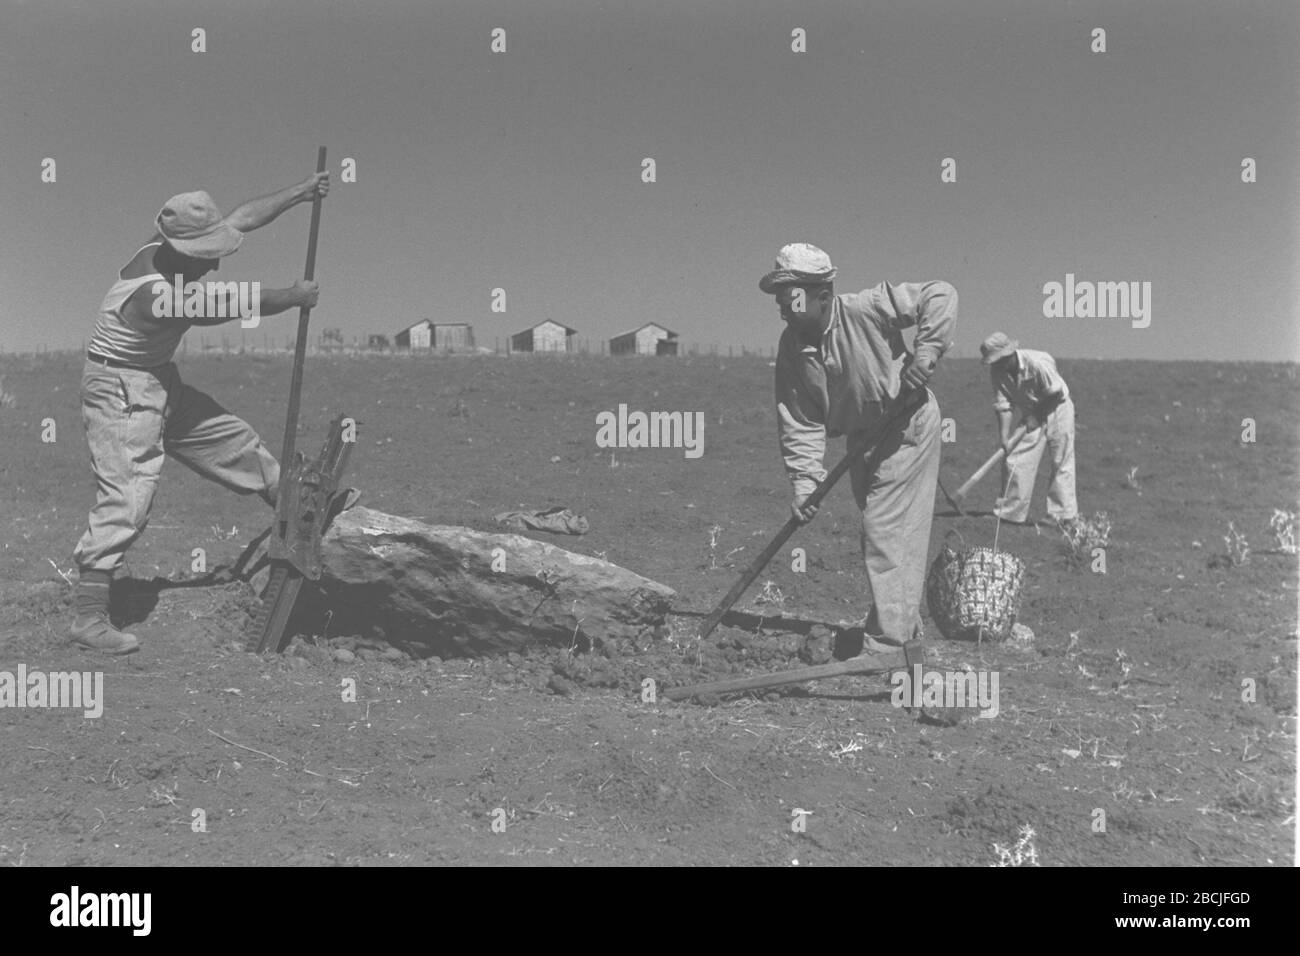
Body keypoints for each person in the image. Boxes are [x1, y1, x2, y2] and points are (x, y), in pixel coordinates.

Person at [69, 173, 329, 654]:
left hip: (155, 376)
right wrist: (293, 297)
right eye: (207, 257)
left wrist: (301, 190)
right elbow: (232, 303)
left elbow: (241, 219)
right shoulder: (156, 295)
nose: (212, 266)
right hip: (121, 387)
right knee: (129, 491)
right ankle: (88, 617)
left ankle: (295, 504)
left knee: (229, 438)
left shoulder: (169, 245)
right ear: (180, 249)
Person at [763, 243, 956, 651]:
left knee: (884, 530)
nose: (782, 307)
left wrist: (928, 350)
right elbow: (800, 419)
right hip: (861, 440)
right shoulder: (791, 347)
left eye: (791, 296)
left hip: (907, 425)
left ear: (824, 296)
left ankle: (888, 646)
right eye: (780, 299)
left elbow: (940, 293)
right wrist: (804, 483)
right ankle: (903, 631)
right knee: (888, 534)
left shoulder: (866, 308)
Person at [979, 332, 1078, 528]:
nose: (996, 365)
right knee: (1016, 459)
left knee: (1061, 459)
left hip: (1058, 407)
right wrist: (1004, 437)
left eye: (999, 361)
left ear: (1009, 355)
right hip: (1031, 411)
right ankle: (1009, 512)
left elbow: (1055, 392)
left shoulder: (1037, 362)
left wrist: (1035, 416)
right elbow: (1003, 405)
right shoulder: (997, 372)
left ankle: (1063, 516)